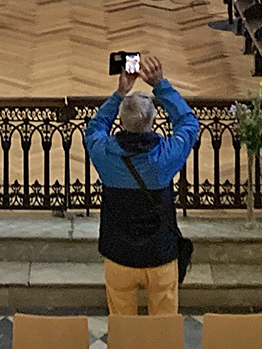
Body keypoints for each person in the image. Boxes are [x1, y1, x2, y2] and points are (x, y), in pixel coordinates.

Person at [84, 54, 199, 315]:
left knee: (122, 326)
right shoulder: (165, 157)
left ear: (121, 122)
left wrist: (119, 94)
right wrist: (160, 84)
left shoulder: (105, 154)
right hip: (160, 255)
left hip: (119, 255)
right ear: (154, 122)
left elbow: (94, 129)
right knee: (163, 327)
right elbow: (189, 124)